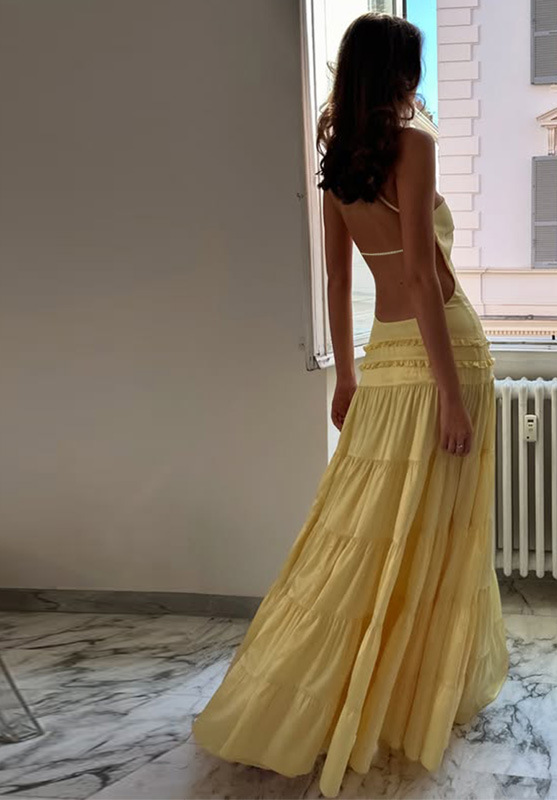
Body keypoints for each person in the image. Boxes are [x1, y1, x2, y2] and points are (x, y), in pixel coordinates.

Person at [190, 12, 509, 798]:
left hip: (383, 354)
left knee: (371, 527)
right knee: (429, 530)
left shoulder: (339, 162)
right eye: (414, 68)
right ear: (399, 72)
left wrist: (345, 376)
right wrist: (451, 397)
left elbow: (339, 281)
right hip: (444, 352)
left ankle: (376, 687)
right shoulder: (415, 145)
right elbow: (426, 279)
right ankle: (402, 693)